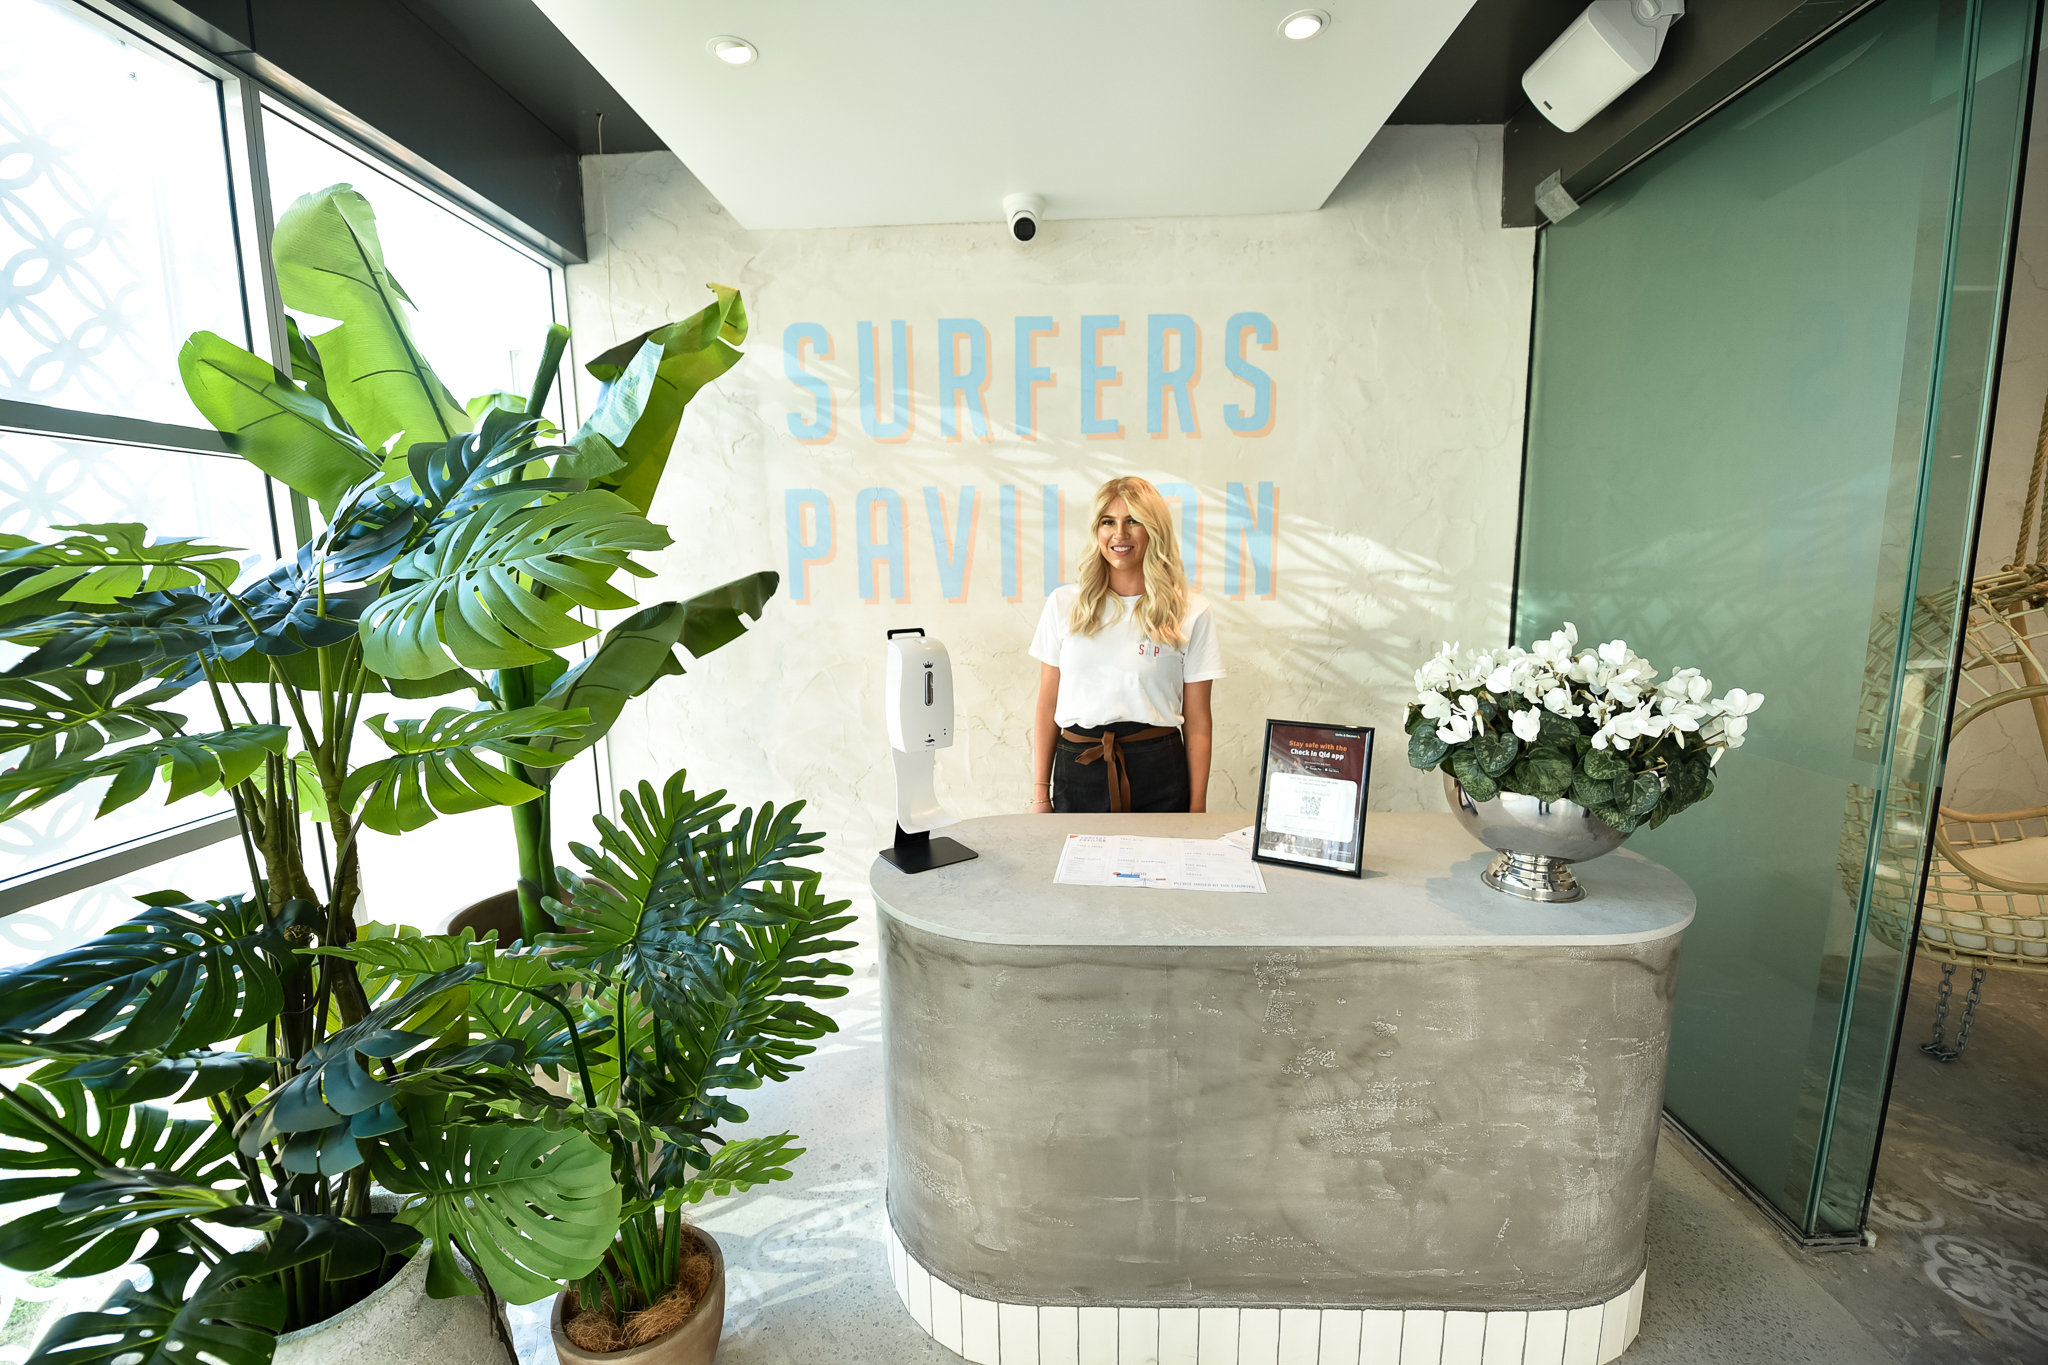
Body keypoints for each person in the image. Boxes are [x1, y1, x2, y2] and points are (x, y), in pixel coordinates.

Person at [1028, 476, 1224, 813]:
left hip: (1159, 773)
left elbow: (1198, 720)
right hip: (1077, 772)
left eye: (1133, 521)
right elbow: (1047, 705)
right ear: (1097, 531)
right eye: (1108, 522)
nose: (1119, 533)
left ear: (1154, 530)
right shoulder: (1064, 604)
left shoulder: (1191, 611)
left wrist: (1197, 808)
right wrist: (1040, 795)